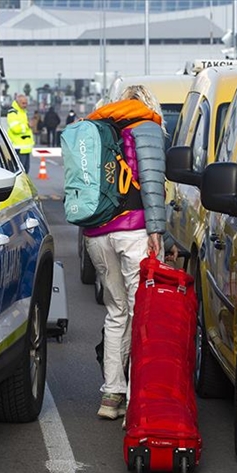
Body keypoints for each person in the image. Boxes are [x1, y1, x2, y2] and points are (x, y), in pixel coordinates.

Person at [82, 85, 178, 420]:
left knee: (115, 313)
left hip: (97, 235)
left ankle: (111, 396)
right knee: (142, 315)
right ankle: (140, 397)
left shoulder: (97, 128)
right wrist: (157, 231)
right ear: (149, 104)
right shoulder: (148, 127)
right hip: (134, 232)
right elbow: (152, 183)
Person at [6, 93, 34, 173]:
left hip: (25, 148)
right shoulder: (13, 113)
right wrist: (27, 126)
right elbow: (15, 128)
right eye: (23, 103)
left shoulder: (23, 112)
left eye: (26, 103)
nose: (25, 105)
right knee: (21, 172)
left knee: (25, 170)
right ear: (17, 102)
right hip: (18, 148)